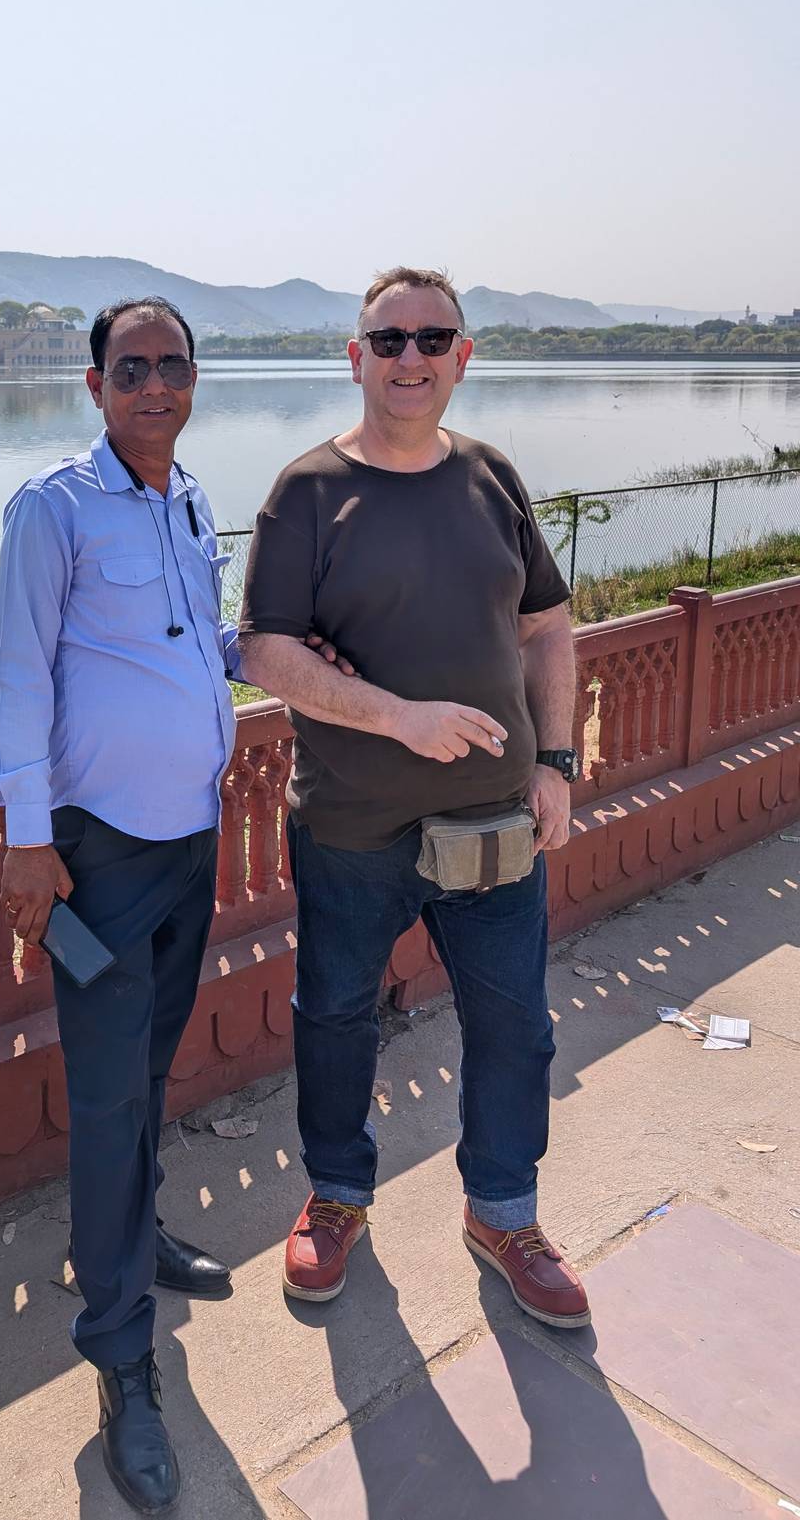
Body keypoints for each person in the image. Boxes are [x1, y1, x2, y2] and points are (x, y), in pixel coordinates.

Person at [238, 266, 590, 1331]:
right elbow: (265, 651)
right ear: (355, 358)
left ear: (462, 358)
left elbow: (546, 626)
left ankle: (505, 1214)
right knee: (337, 1018)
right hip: (352, 825)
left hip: (494, 820)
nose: (410, 357)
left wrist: (557, 762)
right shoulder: (306, 492)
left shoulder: (491, 476)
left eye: (433, 339)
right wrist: (400, 717)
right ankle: (337, 1196)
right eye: (388, 340)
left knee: (515, 1025)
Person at [0, 296, 240, 1515]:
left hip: (190, 841)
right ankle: (121, 1356)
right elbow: (21, 671)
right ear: (94, 384)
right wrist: (27, 838)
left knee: (148, 1062)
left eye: (170, 365)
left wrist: (274, 654)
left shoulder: (189, 499)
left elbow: (191, 640)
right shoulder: (54, 506)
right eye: (129, 367)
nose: (152, 384)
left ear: (194, 379)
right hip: (96, 859)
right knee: (105, 1094)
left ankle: (133, 1239)